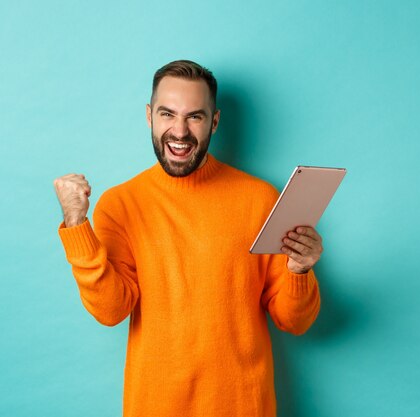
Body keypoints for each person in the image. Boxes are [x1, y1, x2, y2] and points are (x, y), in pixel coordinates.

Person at [53, 60, 323, 417]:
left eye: (195, 117)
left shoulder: (260, 199)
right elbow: (110, 311)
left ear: (214, 121)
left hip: (245, 407)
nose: (179, 131)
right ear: (150, 116)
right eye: (167, 114)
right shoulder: (121, 204)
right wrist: (76, 225)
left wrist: (300, 270)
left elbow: (295, 322)